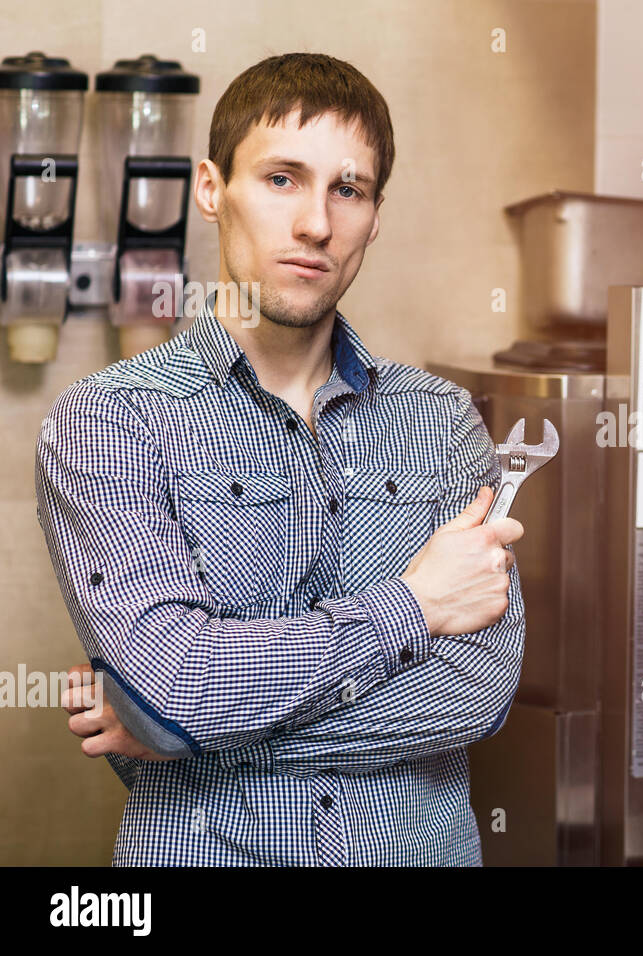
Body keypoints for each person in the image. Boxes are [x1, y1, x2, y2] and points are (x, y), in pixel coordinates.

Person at [34, 53, 525, 866]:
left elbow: (476, 691)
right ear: (209, 188)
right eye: (282, 179)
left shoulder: (442, 421)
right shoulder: (108, 423)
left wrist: (183, 738)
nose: (316, 226)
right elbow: (174, 682)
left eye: (349, 189)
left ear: (375, 215)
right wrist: (411, 606)